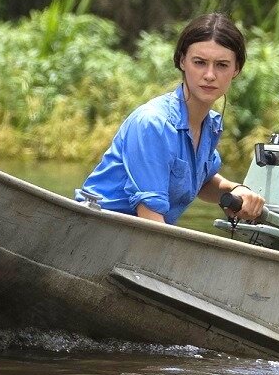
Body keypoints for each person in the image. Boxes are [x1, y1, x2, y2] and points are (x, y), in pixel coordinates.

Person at [76, 13, 265, 225]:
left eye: (221, 65)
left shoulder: (210, 125)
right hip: (94, 229)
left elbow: (201, 181)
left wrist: (234, 189)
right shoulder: (153, 124)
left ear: (236, 69)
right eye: (200, 62)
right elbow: (150, 221)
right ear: (182, 61)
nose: (210, 75)